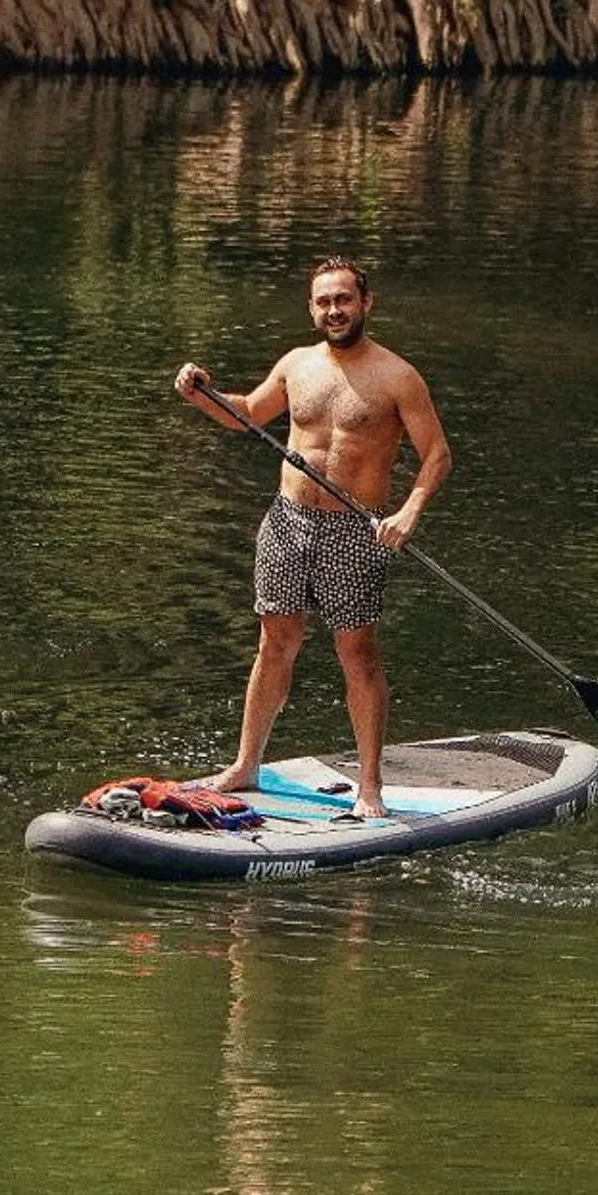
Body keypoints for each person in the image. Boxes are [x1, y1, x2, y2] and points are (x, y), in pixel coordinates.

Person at [173, 255, 452, 818]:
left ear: (365, 303)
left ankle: (370, 788)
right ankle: (247, 764)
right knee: (275, 642)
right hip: (286, 521)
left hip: (355, 529)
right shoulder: (297, 364)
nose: (334, 310)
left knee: (357, 653)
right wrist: (201, 394)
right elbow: (249, 411)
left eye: (344, 299)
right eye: (324, 301)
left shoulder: (398, 376)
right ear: (312, 307)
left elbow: (438, 455)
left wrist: (409, 512)